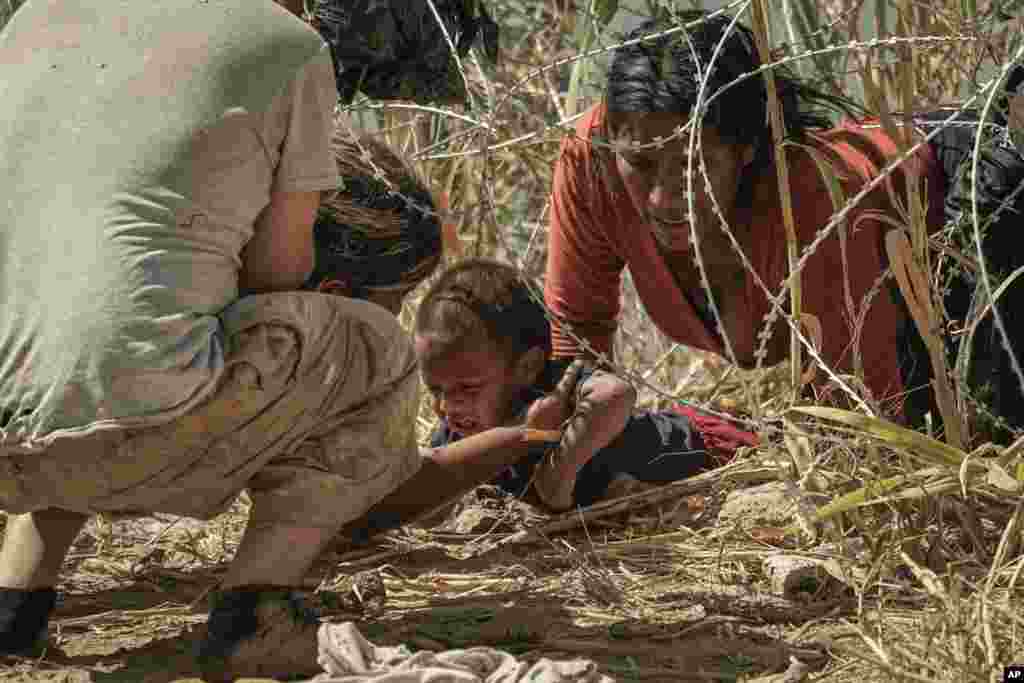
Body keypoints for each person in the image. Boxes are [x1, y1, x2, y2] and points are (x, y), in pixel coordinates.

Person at [0, 1, 501, 680]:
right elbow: (275, 275)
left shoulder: (34, 18)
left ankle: (14, 602)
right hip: (124, 424)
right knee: (377, 350)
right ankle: (257, 612)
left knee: (87, 339)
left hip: (14, 440)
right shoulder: (283, 43)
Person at [543, 9, 1022, 450]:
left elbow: (869, 424)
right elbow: (576, 336)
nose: (664, 199)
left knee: (985, 426)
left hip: (979, 198)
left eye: (694, 166)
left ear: (746, 148)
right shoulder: (593, 160)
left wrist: (705, 443)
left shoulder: (813, 206)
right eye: (642, 165)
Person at [414, 259, 712, 511]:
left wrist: (560, 470)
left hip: (696, 450)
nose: (446, 407)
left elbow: (616, 393)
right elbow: (427, 494)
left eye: (467, 388)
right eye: (436, 390)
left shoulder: (553, 389)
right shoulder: (457, 433)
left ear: (527, 367)